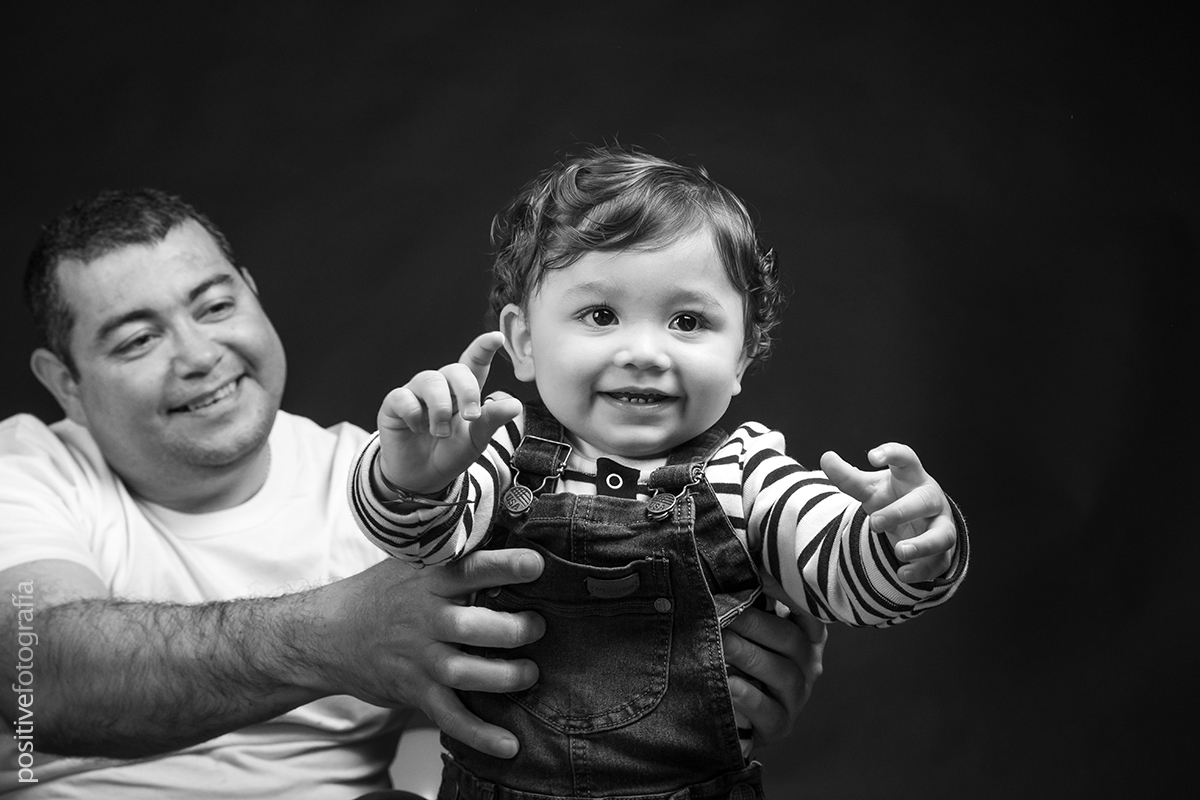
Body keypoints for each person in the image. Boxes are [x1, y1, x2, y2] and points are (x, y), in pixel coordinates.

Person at [0, 188, 825, 799]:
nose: (197, 355)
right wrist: (337, 634)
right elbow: (38, 682)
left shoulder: (407, 485)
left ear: (253, 293)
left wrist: (708, 676)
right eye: (138, 338)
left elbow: (551, 692)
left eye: (215, 306)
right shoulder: (28, 468)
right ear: (64, 383)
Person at [349, 147, 970, 798]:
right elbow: (422, 539)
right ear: (525, 342)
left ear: (743, 355)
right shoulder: (500, 447)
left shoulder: (746, 471)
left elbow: (838, 576)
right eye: (601, 315)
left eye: (688, 321)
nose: (645, 352)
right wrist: (412, 478)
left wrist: (904, 544)